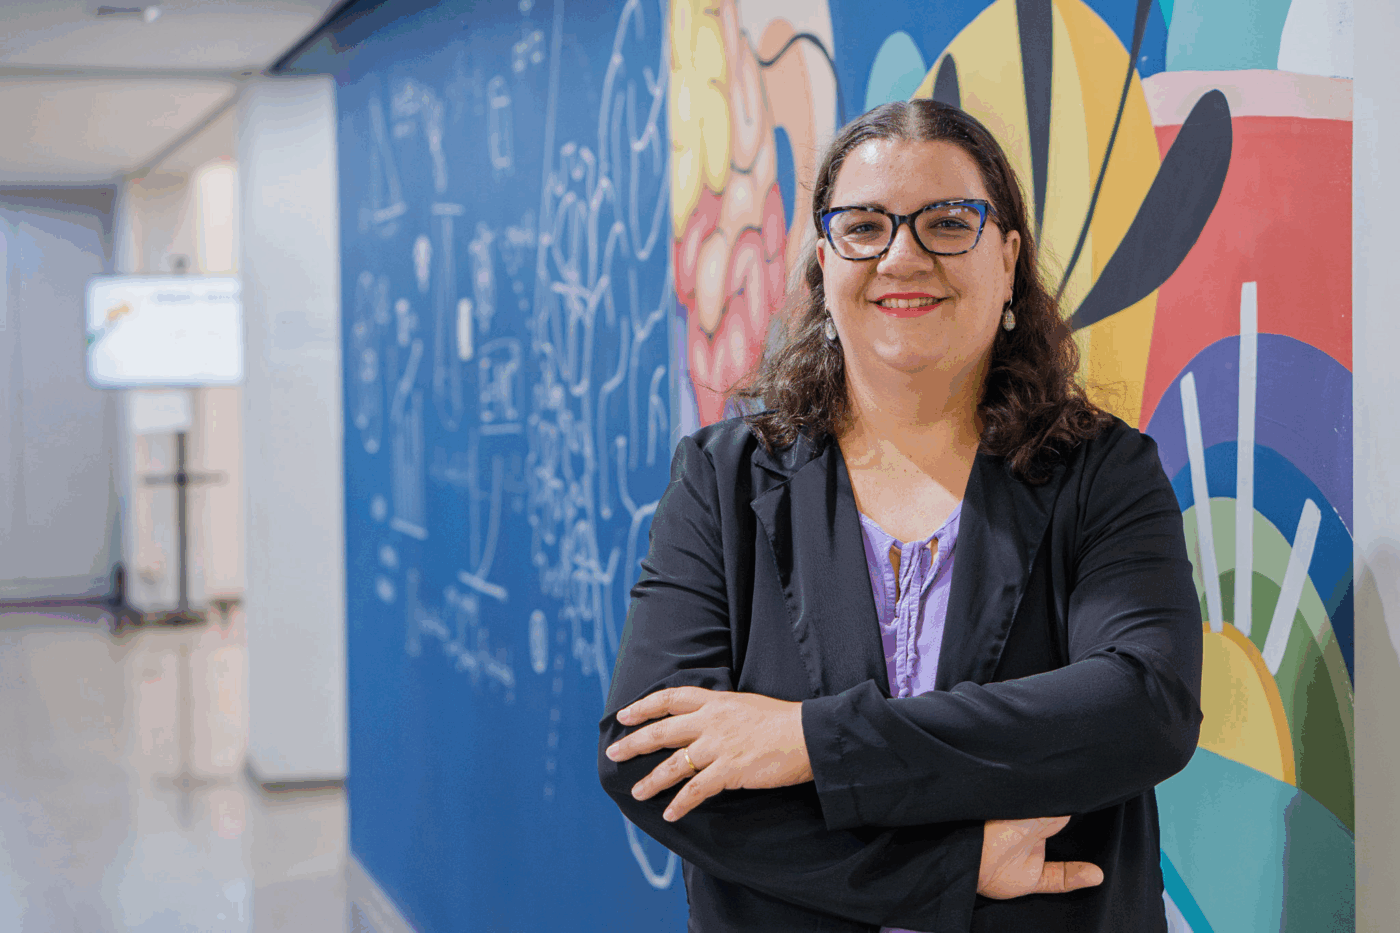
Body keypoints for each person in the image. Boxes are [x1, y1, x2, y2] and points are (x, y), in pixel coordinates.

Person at [597, 99, 1203, 932]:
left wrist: (813, 741)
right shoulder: (721, 480)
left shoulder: (1103, 474)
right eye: (864, 227)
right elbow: (651, 759)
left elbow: (1143, 708)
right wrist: (946, 869)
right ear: (824, 263)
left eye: (948, 223)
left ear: (1007, 259)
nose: (902, 256)